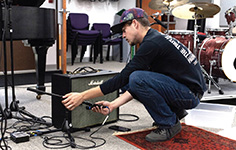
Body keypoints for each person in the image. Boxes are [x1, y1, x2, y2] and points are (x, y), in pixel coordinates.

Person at [62, 8, 206, 142]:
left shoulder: (152, 44)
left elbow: (124, 79)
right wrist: (112, 105)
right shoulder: (155, 38)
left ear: (135, 24)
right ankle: (176, 112)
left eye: (124, 30)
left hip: (190, 94)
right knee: (137, 78)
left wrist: (82, 96)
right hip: (187, 90)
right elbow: (138, 84)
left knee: (135, 78)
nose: (123, 36)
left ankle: (169, 125)